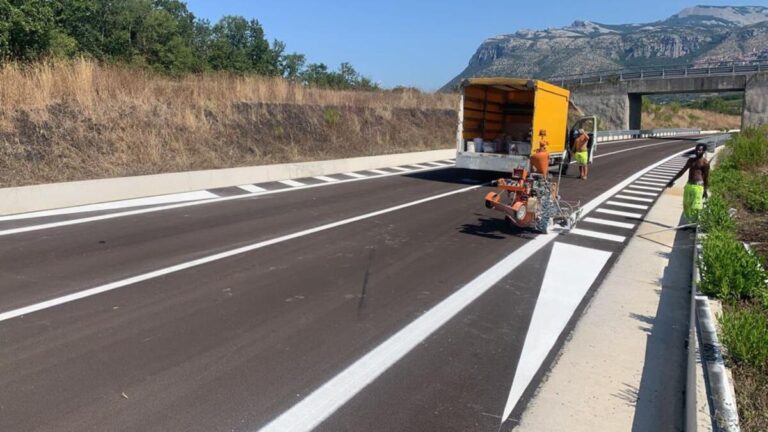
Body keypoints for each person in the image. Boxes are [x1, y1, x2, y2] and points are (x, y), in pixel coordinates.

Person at [666, 143, 710, 222]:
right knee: (687, 206)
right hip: (689, 185)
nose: (697, 151)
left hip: (698, 187)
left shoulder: (705, 163)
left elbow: (706, 177)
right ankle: (688, 222)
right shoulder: (691, 160)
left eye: (699, 150)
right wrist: (673, 180)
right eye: (696, 149)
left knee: (696, 206)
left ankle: (694, 224)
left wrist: (705, 190)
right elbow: (682, 171)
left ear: (703, 151)